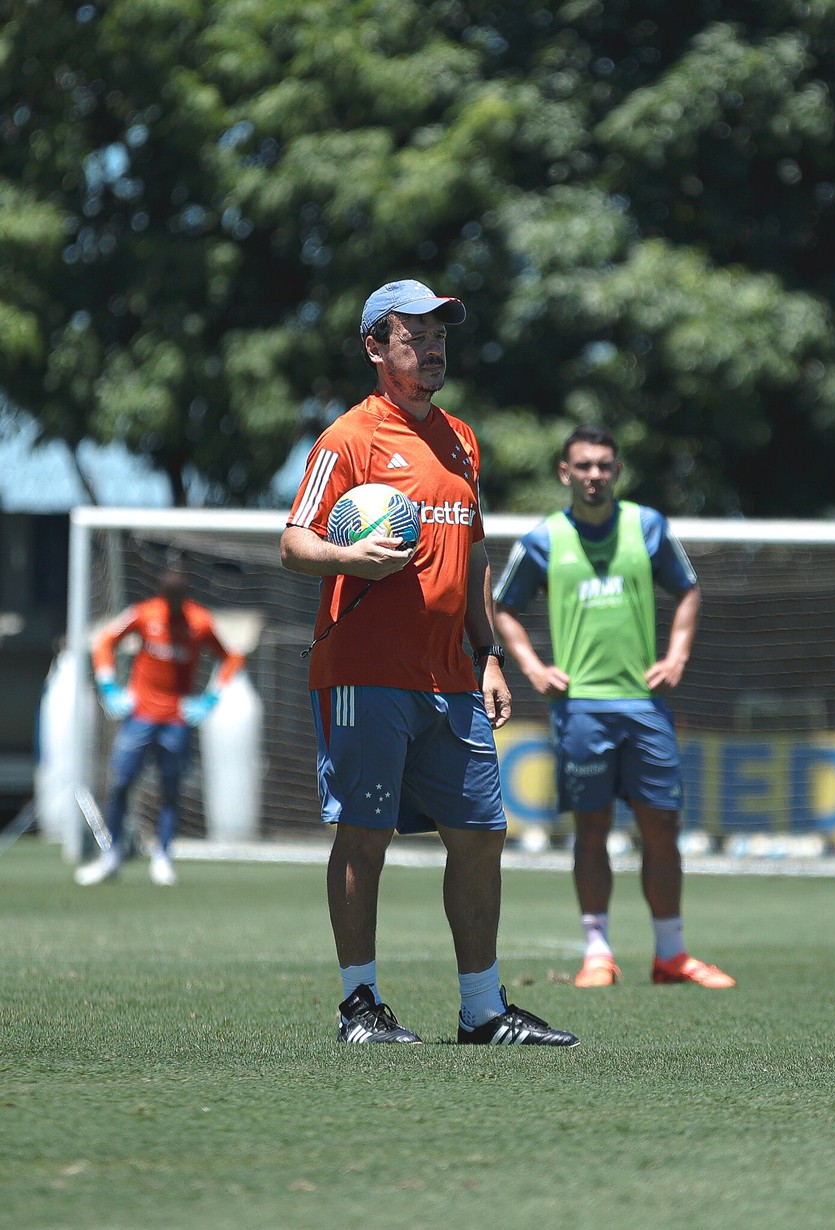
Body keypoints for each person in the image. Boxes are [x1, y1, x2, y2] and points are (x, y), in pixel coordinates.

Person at [280, 278, 578, 1046]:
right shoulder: (349, 439)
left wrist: (488, 655)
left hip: (452, 678)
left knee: (480, 834)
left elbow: (473, 552)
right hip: (364, 673)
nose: (434, 345)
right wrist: (351, 554)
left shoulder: (461, 439)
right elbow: (293, 543)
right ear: (376, 347)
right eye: (415, 334)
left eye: (441, 332)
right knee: (364, 834)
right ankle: (359, 1006)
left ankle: (482, 1010)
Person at [494, 425, 735, 990]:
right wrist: (531, 665)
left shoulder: (647, 527)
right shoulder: (544, 539)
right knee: (592, 829)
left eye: (604, 465)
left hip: (645, 706)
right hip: (580, 709)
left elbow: (689, 590)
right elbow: (503, 606)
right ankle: (597, 952)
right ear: (565, 472)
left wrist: (676, 655)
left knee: (662, 826)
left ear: (617, 472)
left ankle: (671, 954)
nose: (594, 475)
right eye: (583, 466)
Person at [74, 567, 244, 887]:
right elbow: (104, 641)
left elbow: (231, 657)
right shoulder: (144, 613)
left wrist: (211, 697)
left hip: (177, 719)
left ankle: (163, 856)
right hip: (140, 715)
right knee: (121, 782)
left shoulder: (200, 622)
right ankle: (111, 855)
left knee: (170, 787)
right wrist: (108, 684)